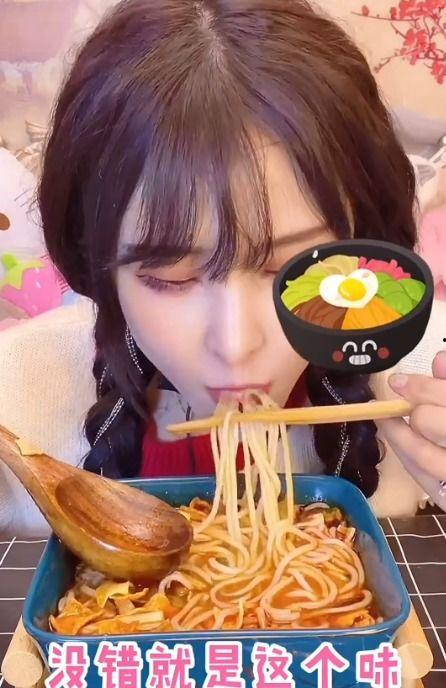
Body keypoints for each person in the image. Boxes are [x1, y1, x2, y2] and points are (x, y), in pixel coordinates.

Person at [0, 0, 445, 536]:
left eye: (292, 270)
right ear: (97, 265)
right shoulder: (18, 395)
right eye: (170, 277)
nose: (235, 345)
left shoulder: (423, 373)